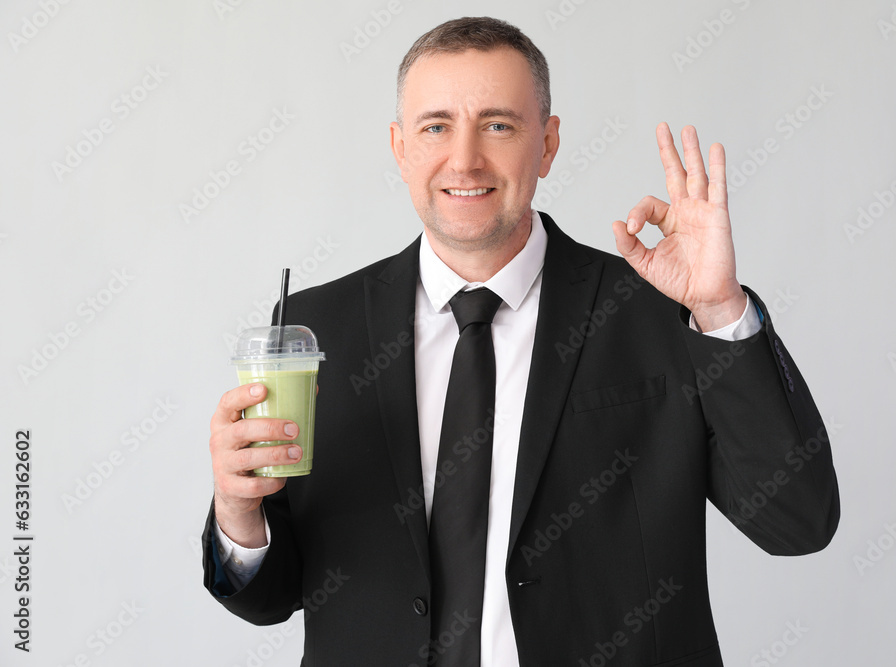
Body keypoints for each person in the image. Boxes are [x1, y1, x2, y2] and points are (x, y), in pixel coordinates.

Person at [202, 16, 839, 667]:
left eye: (498, 125)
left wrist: (720, 309)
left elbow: (797, 520)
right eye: (436, 126)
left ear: (549, 143)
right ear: (400, 148)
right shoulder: (316, 329)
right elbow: (271, 596)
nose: (465, 158)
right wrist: (238, 513)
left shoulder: (661, 313)